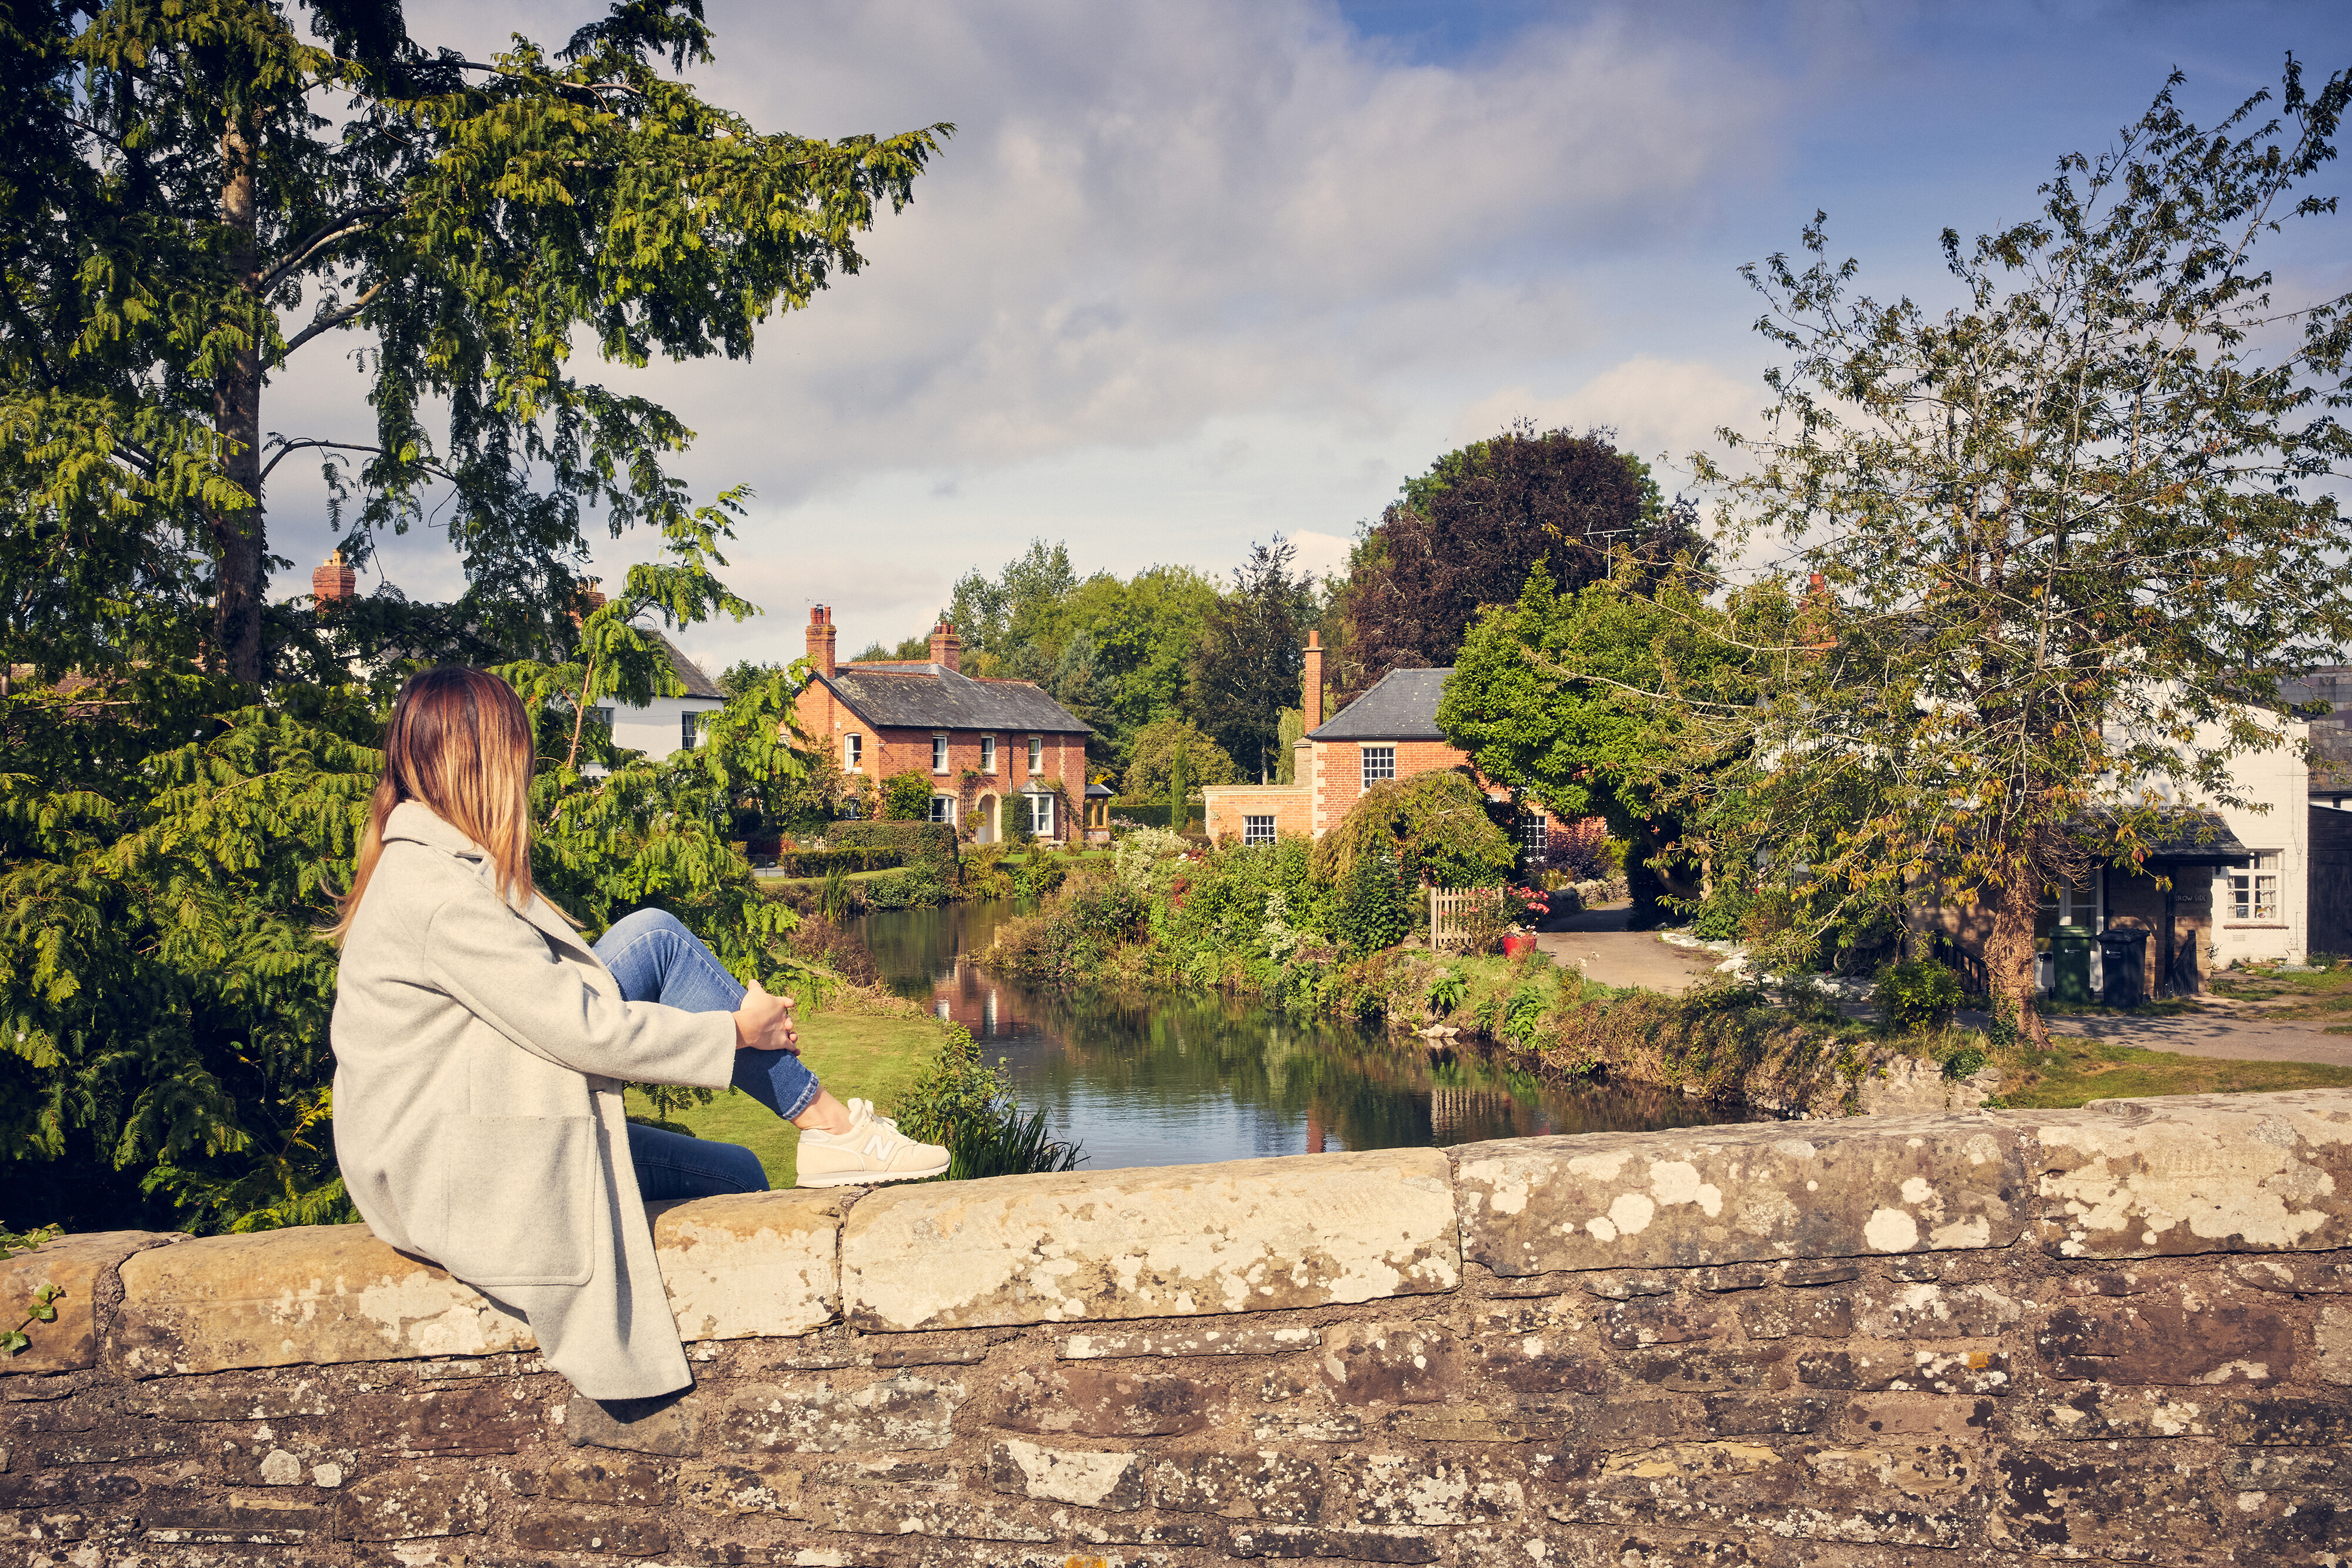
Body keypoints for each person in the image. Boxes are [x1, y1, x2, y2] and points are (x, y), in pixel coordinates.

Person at [328, 666, 946, 1400]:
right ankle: (832, 1127)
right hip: (456, 1168)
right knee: (665, 968)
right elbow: (580, 1029)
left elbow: (551, 1013)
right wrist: (736, 1033)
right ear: (484, 763)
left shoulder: (430, 866)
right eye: (520, 759)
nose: (526, 781)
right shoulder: (434, 891)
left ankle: (829, 1131)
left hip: (468, 1135)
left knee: (733, 1164)